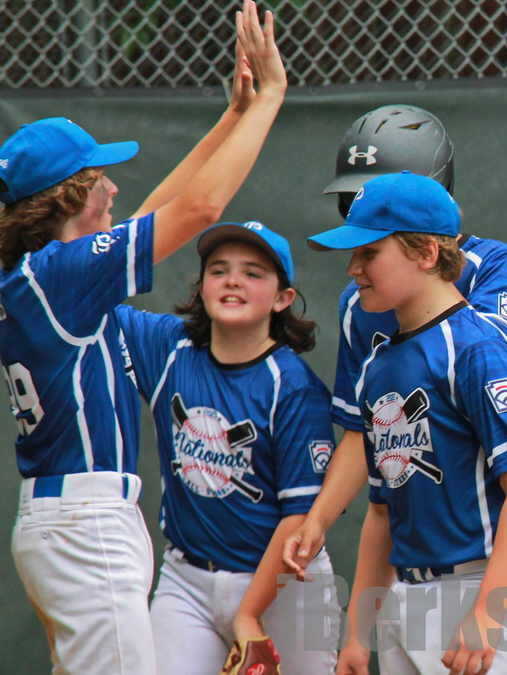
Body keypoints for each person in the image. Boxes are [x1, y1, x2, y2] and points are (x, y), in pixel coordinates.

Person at [0, 3, 285, 672]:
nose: (113, 187)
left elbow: (160, 212)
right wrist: (271, 97)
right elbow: (198, 210)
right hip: (86, 524)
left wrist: (233, 117)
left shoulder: (42, 275)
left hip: (69, 520)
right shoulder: (60, 276)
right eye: (98, 178)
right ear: (69, 198)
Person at [308, 172, 507, 675]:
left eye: (370, 253)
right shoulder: (378, 366)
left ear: (427, 253)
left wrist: (487, 613)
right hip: (406, 594)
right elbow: (380, 514)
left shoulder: (477, 350)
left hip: (481, 584)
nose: (353, 269)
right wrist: (357, 636)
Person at [283, 104, 507, 580]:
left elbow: (482, 372)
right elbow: (363, 428)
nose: (364, 205)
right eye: (353, 197)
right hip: (411, 528)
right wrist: (319, 519)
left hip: (483, 525)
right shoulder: (360, 300)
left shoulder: (493, 267)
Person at [115, 221, 339, 674]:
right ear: (202, 289)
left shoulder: (293, 387)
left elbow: (299, 517)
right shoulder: (169, 349)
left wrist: (248, 614)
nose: (233, 280)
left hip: (284, 585)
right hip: (186, 582)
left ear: (283, 299)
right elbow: (86, 293)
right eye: (218, 271)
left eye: (253, 273)